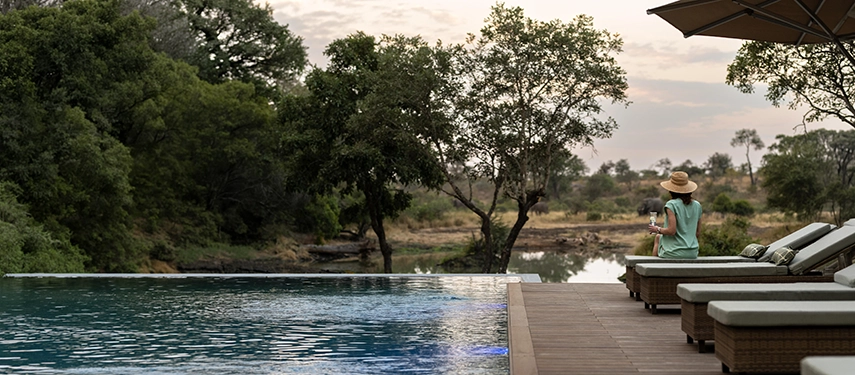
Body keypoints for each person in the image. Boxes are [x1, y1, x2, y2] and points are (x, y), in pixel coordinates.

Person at [648, 171, 702, 258]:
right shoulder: (697, 205)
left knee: (657, 237)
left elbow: (671, 231)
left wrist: (657, 229)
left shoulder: (671, 204)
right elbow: (697, 233)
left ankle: (654, 267)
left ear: (671, 190)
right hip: (693, 253)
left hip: (673, 253)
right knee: (659, 237)